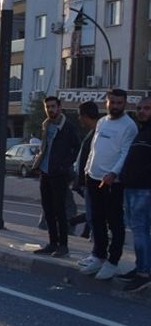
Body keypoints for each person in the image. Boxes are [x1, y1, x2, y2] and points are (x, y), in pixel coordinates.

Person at [80, 88, 139, 280]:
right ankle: (98, 255)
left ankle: (113, 261)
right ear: (106, 103)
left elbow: (125, 153)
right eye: (112, 102)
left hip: (112, 181)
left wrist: (113, 173)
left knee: (114, 222)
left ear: (125, 104)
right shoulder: (102, 122)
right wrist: (87, 169)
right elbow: (94, 149)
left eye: (119, 103)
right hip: (93, 177)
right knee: (95, 220)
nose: (115, 106)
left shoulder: (129, 126)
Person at [32, 96, 81, 258]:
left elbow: (76, 148)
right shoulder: (46, 125)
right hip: (45, 172)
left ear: (59, 107)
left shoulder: (67, 127)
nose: (50, 109)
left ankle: (63, 245)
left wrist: (63, 165)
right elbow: (45, 147)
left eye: (53, 106)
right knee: (48, 210)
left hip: (59, 174)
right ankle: (52, 243)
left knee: (60, 210)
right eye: (48, 107)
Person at [117, 96, 151, 292]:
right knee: (139, 230)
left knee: (140, 232)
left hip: (144, 189)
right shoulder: (142, 132)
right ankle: (141, 267)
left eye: (147, 108)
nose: (142, 111)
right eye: (139, 108)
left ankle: (143, 273)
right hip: (132, 188)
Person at [70, 101, 101, 242]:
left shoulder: (99, 132)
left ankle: (97, 245)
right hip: (85, 181)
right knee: (92, 213)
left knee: (95, 214)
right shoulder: (92, 132)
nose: (78, 119)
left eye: (79, 115)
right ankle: (90, 237)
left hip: (93, 180)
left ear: (85, 115)